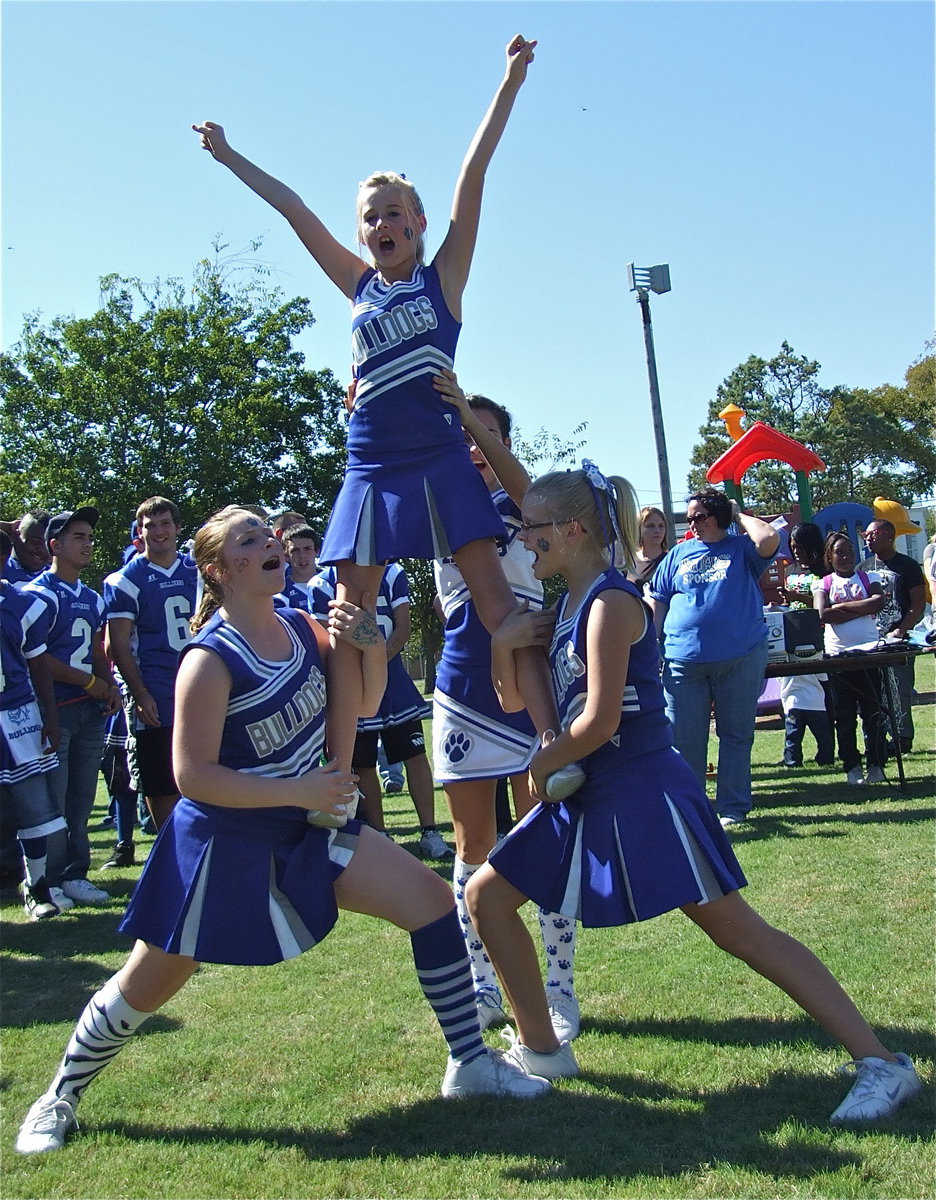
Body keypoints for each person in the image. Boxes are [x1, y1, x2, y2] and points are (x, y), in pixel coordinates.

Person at [14, 506, 551, 1156]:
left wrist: (370, 647)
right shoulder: (208, 660)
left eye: (268, 531)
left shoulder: (302, 626)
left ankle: (469, 1065)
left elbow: (365, 701)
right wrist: (296, 790)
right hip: (224, 843)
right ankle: (61, 1095)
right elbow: (192, 777)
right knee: (149, 983)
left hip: (307, 826)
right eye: (249, 538)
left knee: (434, 905)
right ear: (218, 568)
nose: (269, 540)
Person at [465, 463, 921, 1126]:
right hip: (590, 790)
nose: (520, 539)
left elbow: (600, 722)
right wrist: (502, 647)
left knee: (740, 933)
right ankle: (542, 1050)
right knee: (486, 897)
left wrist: (544, 763)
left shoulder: (610, 603)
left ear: (571, 530)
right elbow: (516, 698)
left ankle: (881, 1062)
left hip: (644, 791)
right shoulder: (560, 604)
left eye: (531, 528)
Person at [192, 35, 559, 781]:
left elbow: (473, 174)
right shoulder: (359, 287)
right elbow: (295, 210)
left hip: (436, 459)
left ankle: (554, 741)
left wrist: (510, 82)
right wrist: (230, 156)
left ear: (419, 225)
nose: (381, 224)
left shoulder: (443, 282)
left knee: (496, 607)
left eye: (394, 212)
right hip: (370, 468)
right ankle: (335, 764)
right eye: (370, 217)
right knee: (347, 620)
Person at [430, 376, 580, 1041]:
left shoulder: (532, 506)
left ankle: (560, 987)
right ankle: (483, 982)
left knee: (541, 830)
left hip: (533, 676)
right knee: (473, 841)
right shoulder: (438, 496)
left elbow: (530, 498)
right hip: (465, 682)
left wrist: (468, 411)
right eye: (463, 434)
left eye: (484, 432)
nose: (474, 445)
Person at [648, 488, 780, 828]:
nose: (692, 524)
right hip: (682, 661)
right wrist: (652, 642)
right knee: (684, 739)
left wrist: (738, 515)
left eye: (700, 517)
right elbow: (659, 601)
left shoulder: (742, 548)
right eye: (689, 518)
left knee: (736, 735)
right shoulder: (678, 554)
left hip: (740, 656)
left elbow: (769, 538)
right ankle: (690, 809)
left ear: (719, 517)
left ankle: (732, 807)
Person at [309, 561, 452, 860]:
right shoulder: (321, 584)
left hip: (393, 679)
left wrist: (377, 659)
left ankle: (430, 831)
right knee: (363, 764)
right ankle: (380, 835)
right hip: (352, 682)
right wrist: (358, 669)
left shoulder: (393, 573)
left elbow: (403, 627)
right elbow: (327, 640)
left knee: (414, 754)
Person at [24, 509, 121, 906]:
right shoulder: (37, 595)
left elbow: (97, 649)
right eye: (78, 536)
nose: (87, 542)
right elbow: (37, 657)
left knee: (81, 800)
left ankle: (75, 873)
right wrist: (90, 682)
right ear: (55, 545)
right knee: (55, 800)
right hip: (55, 710)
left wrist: (108, 683)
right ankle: (44, 880)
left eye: (89, 536)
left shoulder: (91, 597)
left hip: (89, 711)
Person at [103, 497, 198, 831]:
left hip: (202, 688)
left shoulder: (198, 571)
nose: (158, 532)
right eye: (150, 526)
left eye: (165, 524)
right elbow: (118, 644)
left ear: (177, 528)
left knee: (207, 775)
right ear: (140, 533)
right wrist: (140, 691)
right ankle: (168, 855)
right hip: (156, 690)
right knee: (160, 783)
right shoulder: (124, 580)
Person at [0, 528, 67, 920]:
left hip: (17, 714)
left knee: (33, 804)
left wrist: (50, 717)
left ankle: (37, 885)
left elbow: (38, 665)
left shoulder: (20, 603)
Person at [813, 533, 887, 786]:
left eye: (850, 552)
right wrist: (860, 607)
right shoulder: (823, 584)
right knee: (844, 716)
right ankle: (852, 766)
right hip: (838, 658)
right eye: (840, 552)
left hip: (869, 654)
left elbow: (878, 602)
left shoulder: (870, 578)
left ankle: (877, 763)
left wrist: (842, 608)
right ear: (830, 557)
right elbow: (823, 614)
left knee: (873, 712)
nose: (846, 557)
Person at [859, 518, 926, 753]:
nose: (867, 539)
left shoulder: (907, 566)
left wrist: (901, 630)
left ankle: (902, 738)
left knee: (899, 688)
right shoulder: (863, 569)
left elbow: (917, 604)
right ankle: (878, 739)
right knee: (874, 691)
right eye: (865, 535)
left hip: (899, 640)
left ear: (889, 535)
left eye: (872, 534)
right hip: (871, 641)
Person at [777, 522, 834, 769]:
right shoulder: (792, 571)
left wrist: (798, 598)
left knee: (822, 695)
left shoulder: (825, 571)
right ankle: (792, 751)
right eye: (793, 547)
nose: (797, 552)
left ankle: (827, 749)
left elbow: (826, 603)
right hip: (794, 638)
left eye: (801, 547)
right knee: (792, 693)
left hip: (820, 638)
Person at [276, 523, 318, 611]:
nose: (302, 555)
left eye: (307, 549)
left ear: (317, 551)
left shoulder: (334, 582)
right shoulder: (280, 591)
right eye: (295, 550)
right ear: (286, 555)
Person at [628, 505, 668, 593]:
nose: (657, 530)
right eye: (651, 526)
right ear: (639, 529)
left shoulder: (671, 560)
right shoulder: (629, 561)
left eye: (661, 526)